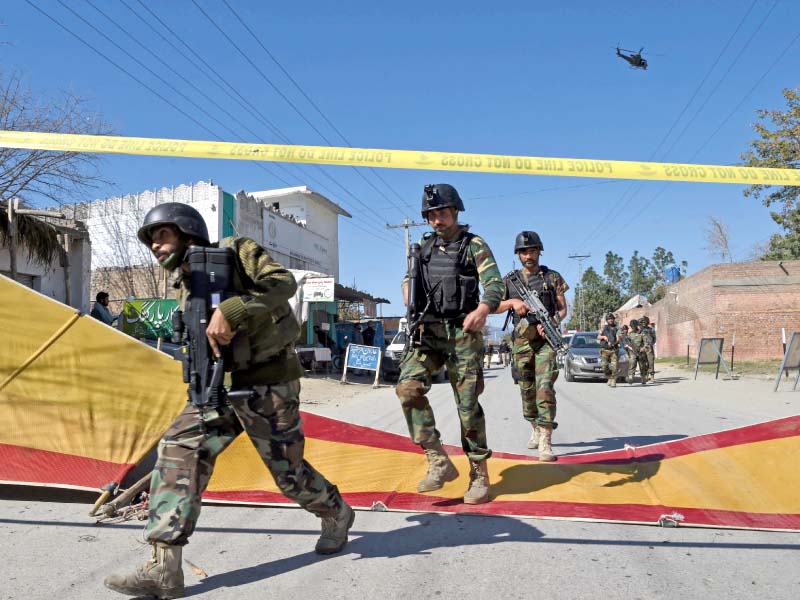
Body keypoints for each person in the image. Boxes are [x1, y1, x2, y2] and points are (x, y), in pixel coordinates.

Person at [104, 203, 354, 599]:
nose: (155, 245)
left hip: (268, 384)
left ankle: (336, 512)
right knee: (177, 451)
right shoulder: (184, 285)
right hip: (215, 389)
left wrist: (234, 310)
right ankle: (164, 566)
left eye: (162, 235)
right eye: (151, 239)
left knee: (288, 476)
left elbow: (283, 283)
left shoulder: (237, 250)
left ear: (188, 232)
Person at [395, 183, 503, 505]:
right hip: (428, 334)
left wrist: (483, 309)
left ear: (456, 211)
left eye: (442, 213)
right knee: (407, 388)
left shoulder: (474, 245)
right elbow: (407, 279)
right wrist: (407, 297)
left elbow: (494, 283)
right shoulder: (423, 248)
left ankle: (479, 473)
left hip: (462, 334)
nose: (437, 220)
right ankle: (437, 459)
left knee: (468, 407)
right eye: (431, 215)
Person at [495, 231, 568, 461]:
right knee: (527, 391)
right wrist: (513, 302)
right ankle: (534, 426)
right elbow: (493, 306)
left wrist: (552, 323)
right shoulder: (510, 281)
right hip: (521, 343)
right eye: (524, 251)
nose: (529, 255)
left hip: (545, 341)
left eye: (533, 250)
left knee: (545, 387)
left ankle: (546, 440)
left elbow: (563, 308)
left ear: (539, 251)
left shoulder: (552, 277)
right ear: (518, 254)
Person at [599, 313, 620, 387]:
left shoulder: (617, 328)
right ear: (607, 320)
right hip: (605, 350)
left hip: (614, 349)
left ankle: (614, 380)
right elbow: (598, 336)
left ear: (614, 319)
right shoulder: (603, 328)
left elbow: (618, 338)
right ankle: (609, 377)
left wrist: (613, 343)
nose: (610, 320)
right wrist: (604, 337)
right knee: (604, 366)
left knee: (614, 366)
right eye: (609, 319)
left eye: (612, 319)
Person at [625, 318, 649, 385]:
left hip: (641, 351)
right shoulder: (630, 334)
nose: (633, 327)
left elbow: (646, 342)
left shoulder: (642, 333)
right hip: (632, 351)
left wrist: (644, 347)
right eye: (632, 326)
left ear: (637, 325)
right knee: (632, 362)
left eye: (634, 326)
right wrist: (628, 347)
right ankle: (630, 377)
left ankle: (643, 377)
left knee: (642, 366)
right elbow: (627, 343)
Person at [639, 315, 657, 382]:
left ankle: (652, 376)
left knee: (651, 362)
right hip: (642, 349)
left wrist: (650, 344)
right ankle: (645, 376)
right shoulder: (640, 330)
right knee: (644, 363)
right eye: (642, 322)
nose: (644, 323)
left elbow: (654, 338)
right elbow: (637, 340)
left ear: (647, 322)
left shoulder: (651, 329)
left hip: (649, 348)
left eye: (645, 321)